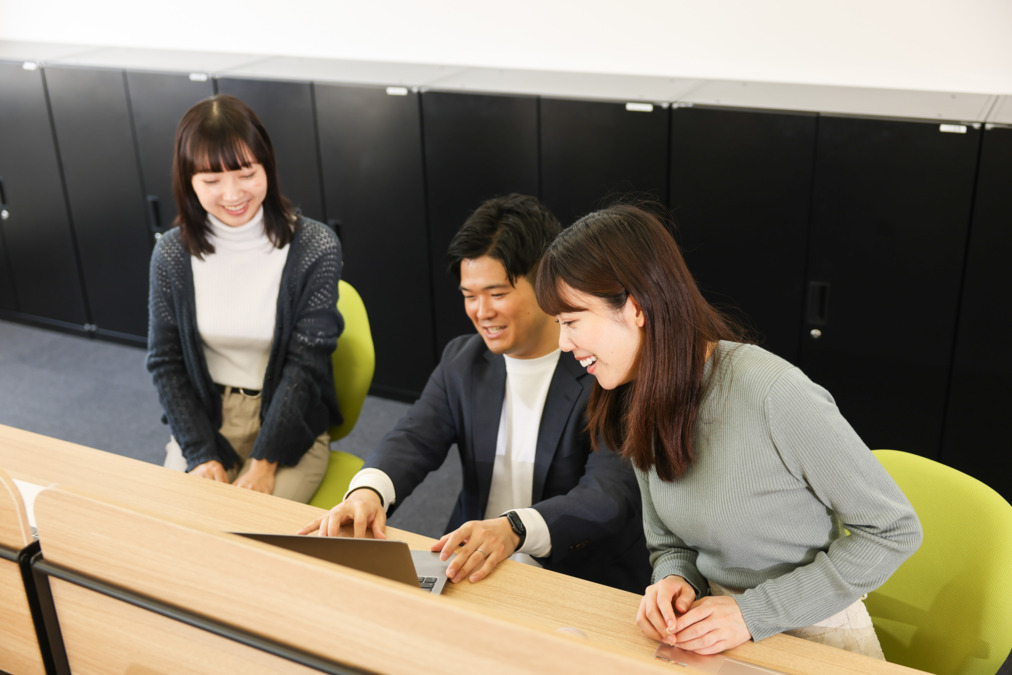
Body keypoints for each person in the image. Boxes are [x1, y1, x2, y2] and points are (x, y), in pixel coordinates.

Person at [534, 204, 922, 657]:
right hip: (715, 633)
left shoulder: (773, 393)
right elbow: (668, 540)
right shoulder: (633, 395)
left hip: (815, 638)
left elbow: (894, 531)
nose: (563, 343)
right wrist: (672, 579)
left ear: (636, 307)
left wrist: (753, 613)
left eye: (571, 321)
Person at [299, 194, 650, 592]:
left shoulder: (605, 368)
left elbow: (607, 495)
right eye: (469, 295)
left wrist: (514, 528)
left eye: (497, 294)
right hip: (473, 563)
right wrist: (368, 492)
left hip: (575, 573)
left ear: (547, 284)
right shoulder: (462, 361)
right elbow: (413, 437)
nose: (481, 311)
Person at [147, 94, 343, 503]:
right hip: (206, 418)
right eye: (211, 180)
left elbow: (306, 366)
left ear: (265, 167)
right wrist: (200, 455)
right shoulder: (170, 252)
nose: (232, 193)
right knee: (181, 528)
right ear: (189, 182)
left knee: (253, 541)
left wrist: (264, 462)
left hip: (288, 425)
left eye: (244, 173)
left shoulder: (315, 246)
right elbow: (166, 362)